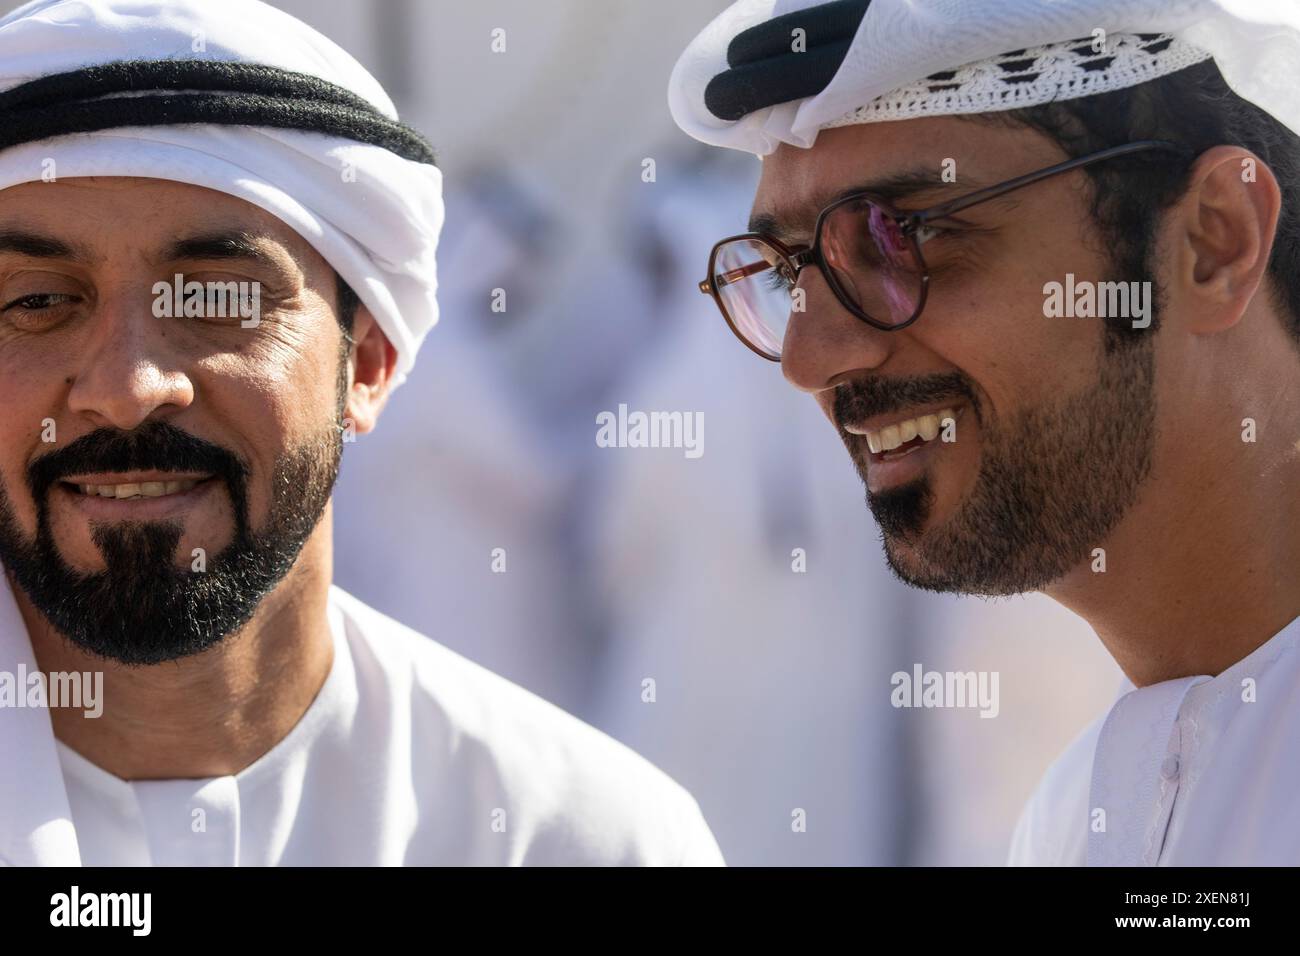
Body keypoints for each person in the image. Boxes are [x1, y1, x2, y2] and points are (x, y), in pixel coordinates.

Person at [0, 0, 724, 867]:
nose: (125, 391)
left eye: (216, 299)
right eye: (38, 302)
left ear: (370, 362)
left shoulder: (572, 836)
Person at [668, 0, 1300, 865]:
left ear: (1213, 241)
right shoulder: (1075, 819)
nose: (809, 361)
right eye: (786, 274)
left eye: (907, 234)